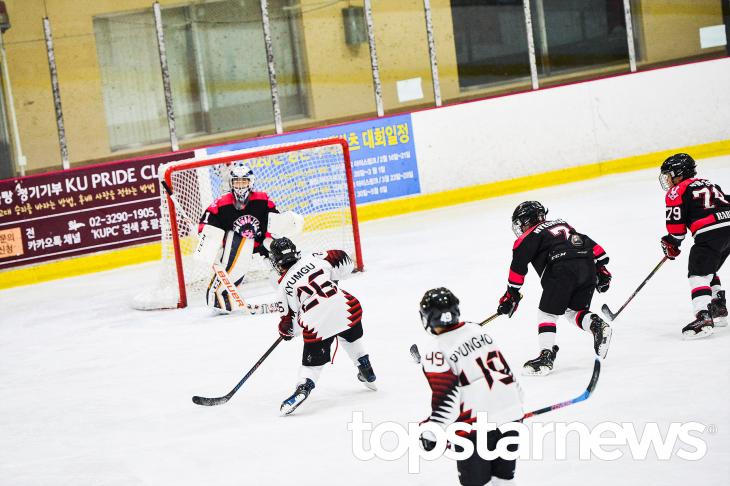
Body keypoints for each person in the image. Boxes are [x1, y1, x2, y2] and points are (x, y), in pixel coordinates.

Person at [418, 288, 523, 486]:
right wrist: (514, 409)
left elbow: (448, 401)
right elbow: (508, 374)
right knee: (504, 480)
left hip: (475, 428)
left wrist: (432, 432)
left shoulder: (436, 350)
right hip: (512, 414)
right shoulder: (478, 331)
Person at [497, 201, 612, 375]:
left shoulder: (528, 236)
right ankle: (597, 325)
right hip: (587, 266)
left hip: (561, 270)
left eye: (521, 223)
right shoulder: (562, 224)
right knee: (574, 311)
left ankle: (545, 357)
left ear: (527, 220)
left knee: (547, 314)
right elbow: (590, 244)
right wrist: (601, 270)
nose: (520, 228)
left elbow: (518, 266)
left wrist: (511, 294)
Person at [269, 237, 376, 415]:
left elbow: (290, 324)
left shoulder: (282, 287)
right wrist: (334, 277)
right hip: (348, 307)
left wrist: (286, 332)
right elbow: (343, 260)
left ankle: (303, 388)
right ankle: (365, 367)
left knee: (312, 366)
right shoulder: (316, 258)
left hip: (317, 323)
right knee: (349, 336)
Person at [194, 164, 302, 312]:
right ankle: (221, 297)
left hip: (260, 240)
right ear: (231, 183)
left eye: (243, 181)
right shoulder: (221, 203)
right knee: (237, 244)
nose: (240, 185)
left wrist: (272, 242)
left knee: (282, 250)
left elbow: (274, 221)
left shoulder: (262, 199)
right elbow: (207, 224)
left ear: (250, 182)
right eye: (236, 181)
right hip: (236, 245)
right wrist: (211, 244)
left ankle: (295, 289)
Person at [659, 153, 729, 338]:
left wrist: (672, 242)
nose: (667, 180)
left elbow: (677, 230)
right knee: (709, 269)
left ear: (679, 173)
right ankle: (718, 307)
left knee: (698, 274)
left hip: (710, 232)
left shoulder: (676, 191)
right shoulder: (709, 183)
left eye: (669, 175)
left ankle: (703, 316)